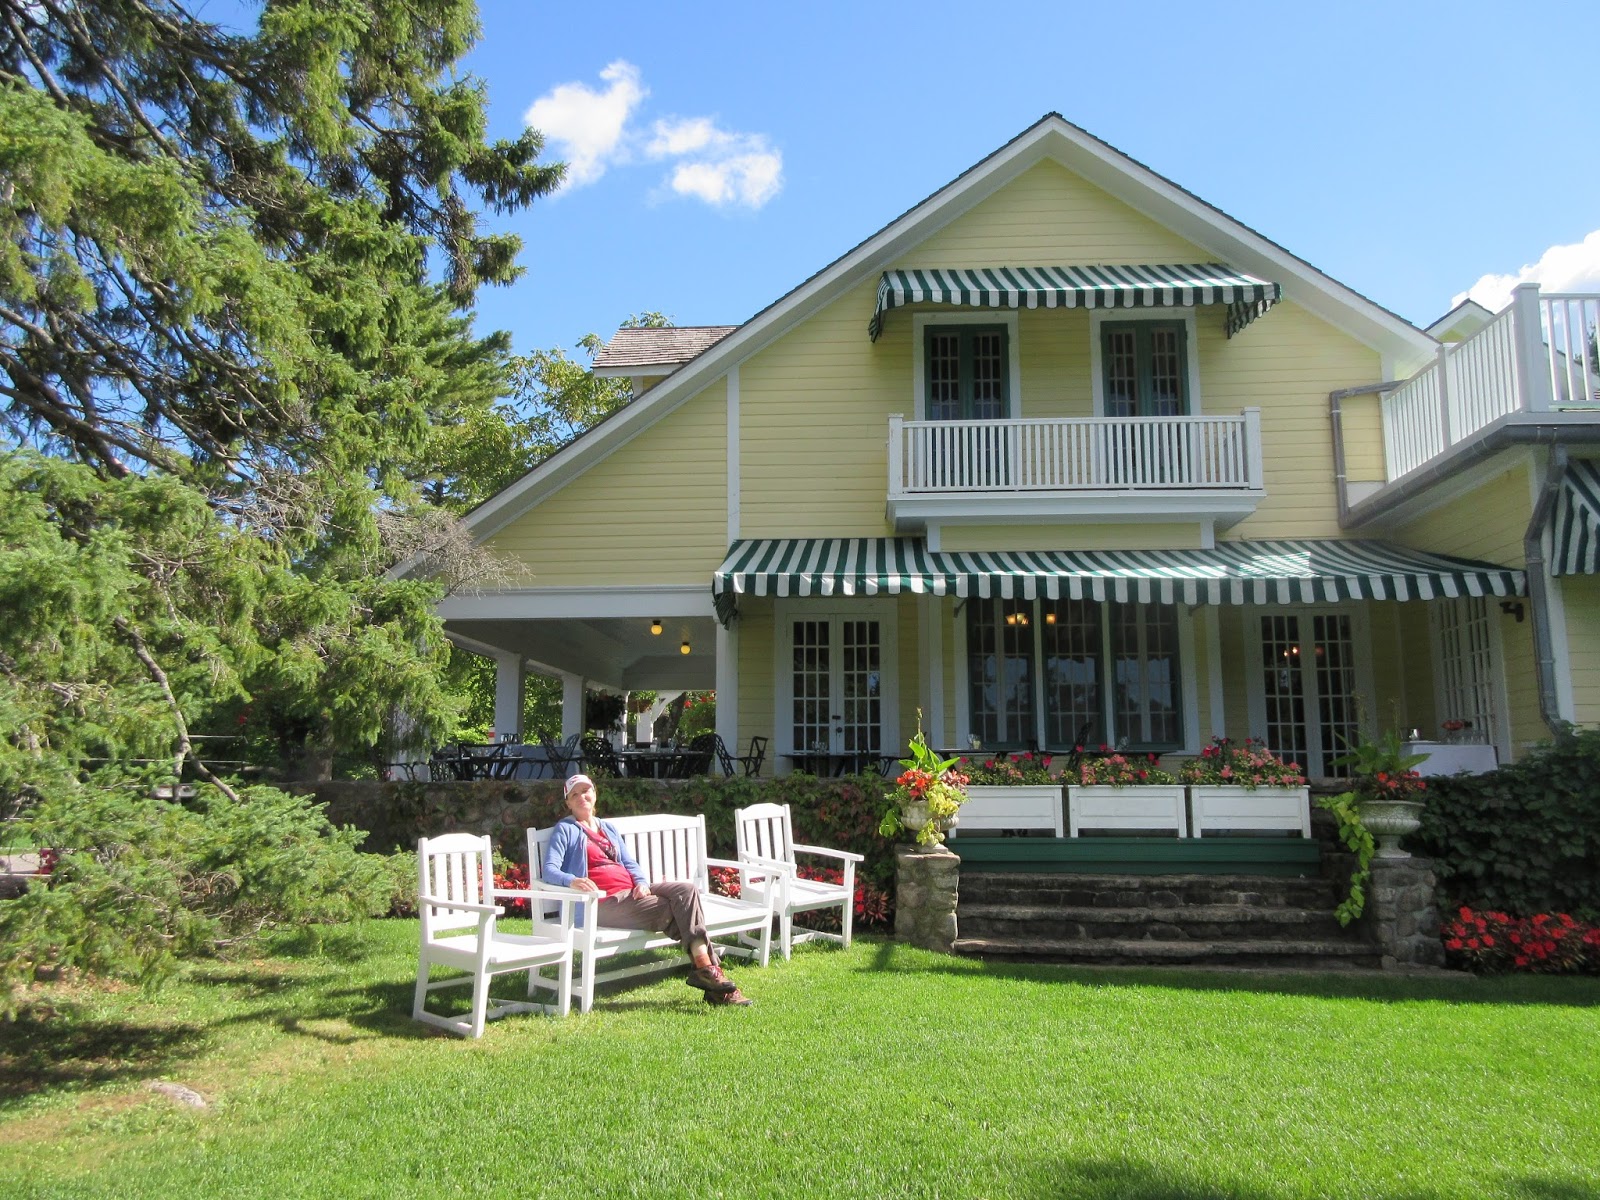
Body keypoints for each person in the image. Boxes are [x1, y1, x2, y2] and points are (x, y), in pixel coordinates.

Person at [542, 774, 752, 1006]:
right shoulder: (566, 829)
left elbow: (629, 863)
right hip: (600, 903)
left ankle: (706, 974)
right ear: (568, 803)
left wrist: (642, 883)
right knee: (677, 910)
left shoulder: (607, 828)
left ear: (594, 794)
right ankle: (711, 976)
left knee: (687, 891)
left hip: (631, 894)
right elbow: (550, 869)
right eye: (575, 794)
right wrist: (573, 881)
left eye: (585, 791)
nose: (582, 797)